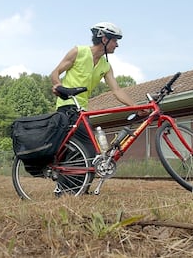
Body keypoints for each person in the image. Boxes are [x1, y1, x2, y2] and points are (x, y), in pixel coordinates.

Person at [50, 22, 145, 193]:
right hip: (67, 105)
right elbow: (55, 73)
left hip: (82, 109)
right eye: (115, 40)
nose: (117, 44)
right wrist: (59, 86)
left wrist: (135, 107)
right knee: (88, 148)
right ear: (104, 38)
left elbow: (116, 90)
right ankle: (66, 188)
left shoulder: (105, 66)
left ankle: (75, 188)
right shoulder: (78, 52)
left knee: (87, 150)